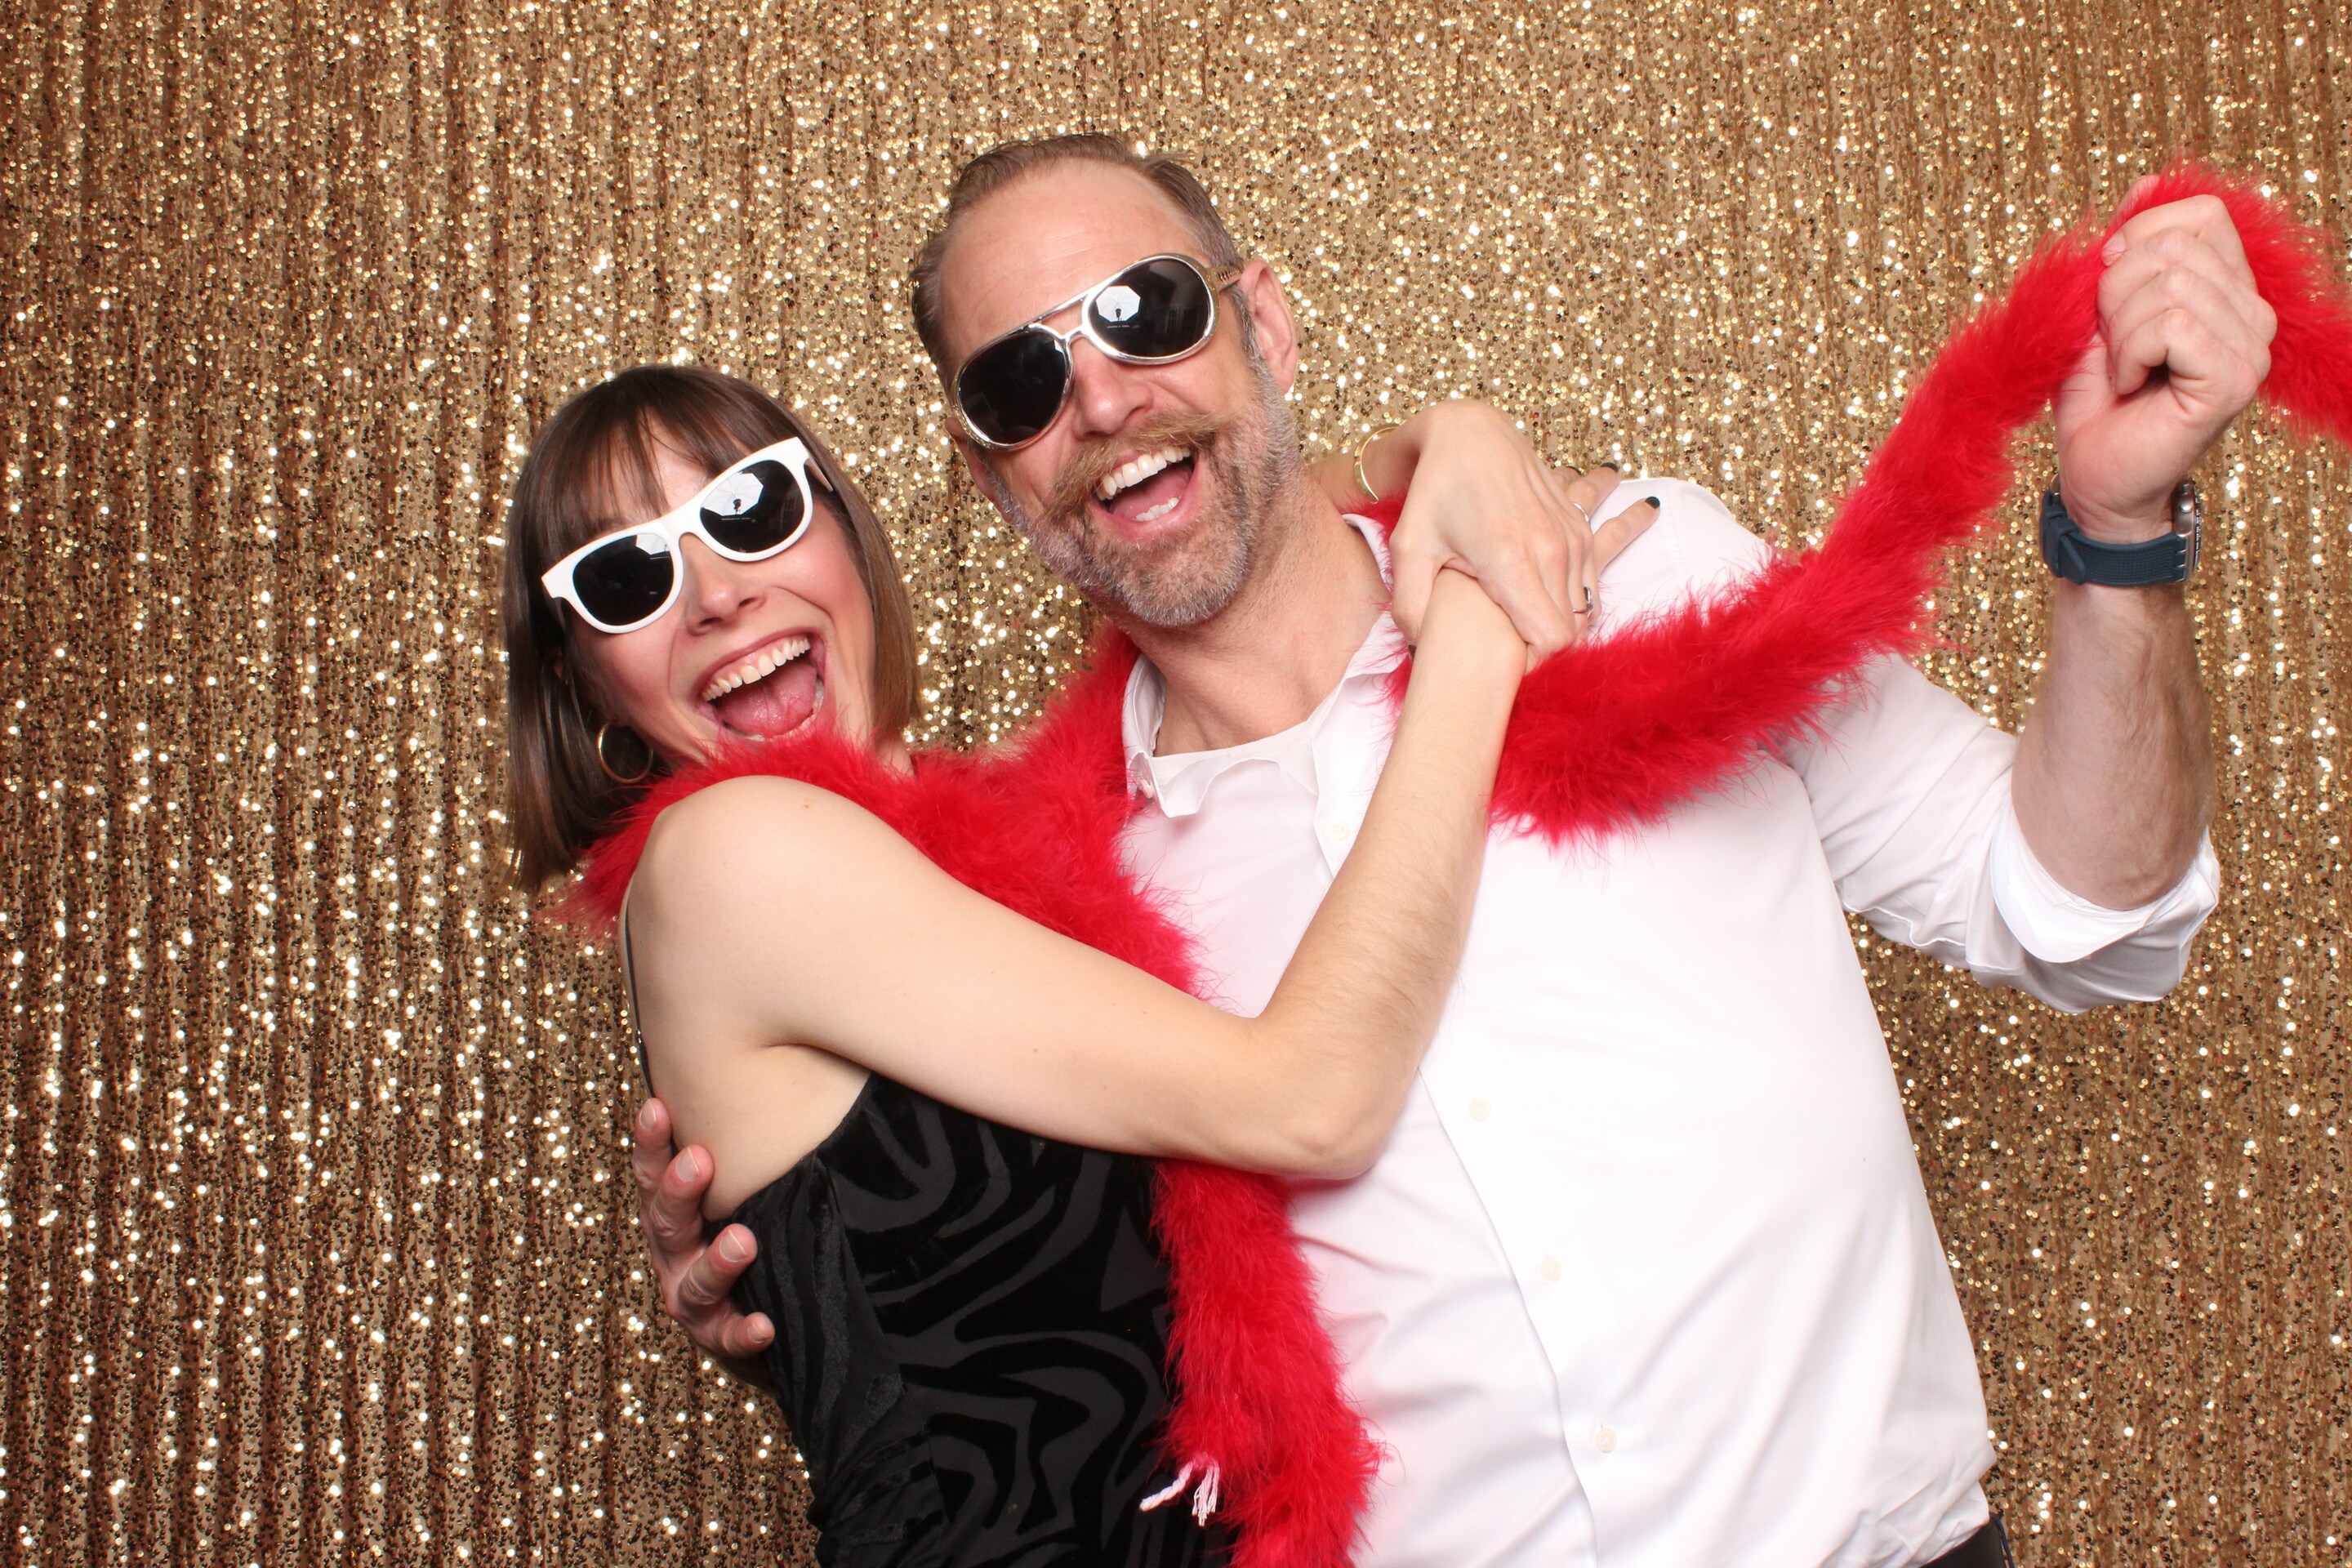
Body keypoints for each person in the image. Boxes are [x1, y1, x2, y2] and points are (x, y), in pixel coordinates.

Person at [640, 136, 2271, 1567]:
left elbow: (2077, 907)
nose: (1104, 399)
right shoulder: (1054, 898)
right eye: (1019, 382)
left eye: (1147, 310)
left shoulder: (1635, 568)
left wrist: (2115, 535)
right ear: (988, 476)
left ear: (1265, 324)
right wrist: (780, 1284)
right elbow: (989, 1288)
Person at [502, 363, 1659, 1562]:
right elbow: (1311, 1102)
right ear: (584, 679)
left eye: (750, 510)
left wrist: (1437, 444)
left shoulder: (1005, 838)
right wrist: (1471, 636)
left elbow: (1214, 546)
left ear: (842, 527)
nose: (715, 595)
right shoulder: (729, 857)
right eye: (623, 578)